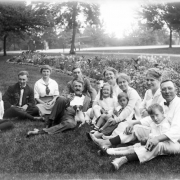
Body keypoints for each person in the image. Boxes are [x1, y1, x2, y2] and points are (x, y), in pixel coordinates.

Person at [90, 80, 180, 165]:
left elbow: (177, 131)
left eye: (169, 88)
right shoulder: (163, 102)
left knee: (159, 144)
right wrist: (133, 123)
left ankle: (125, 158)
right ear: (161, 91)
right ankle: (106, 143)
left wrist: (157, 139)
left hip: (175, 142)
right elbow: (151, 118)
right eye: (163, 89)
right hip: (159, 132)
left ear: (175, 89)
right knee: (135, 128)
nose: (167, 91)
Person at [108, 103, 170, 170]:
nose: (155, 118)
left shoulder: (165, 125)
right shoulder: (154, 123)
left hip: (158, 144)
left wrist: (149, 139)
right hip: (150, 142)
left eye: (157, 115)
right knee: (133, 146)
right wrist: (147, 138)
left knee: (133, 149)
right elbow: (152, 133)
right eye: (152, 116)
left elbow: (163, 137)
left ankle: (115, 153)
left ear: (162, 113)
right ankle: (111, 150)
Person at [89, 73, 141, 138]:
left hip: (132, 117)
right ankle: (99, 131)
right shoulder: (122, 92)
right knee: (104, 118)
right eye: (120, 82)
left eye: (124, 82)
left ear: (128, 81)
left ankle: (101, 135)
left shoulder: (132, 92)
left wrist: (116, 119)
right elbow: (116, 106)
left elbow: (128, 109)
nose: (122, 84)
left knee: (115, 123)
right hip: (120, 115)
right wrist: (112, 113)